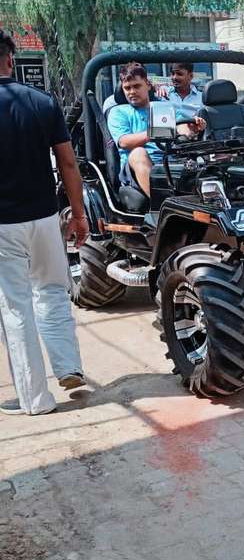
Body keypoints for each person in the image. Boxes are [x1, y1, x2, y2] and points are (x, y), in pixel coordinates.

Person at [0, 29, 87, 416]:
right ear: (10, 59)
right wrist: (79, 214)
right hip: (45, 218)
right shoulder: (41, 102)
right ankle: (69, 367)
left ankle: (36, 399)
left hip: (3, 226)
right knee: (52, 290)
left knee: (16, 309)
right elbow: (68, 163)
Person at [107, 62, 204, 197]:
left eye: (136, 86)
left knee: (202, 158)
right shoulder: (118, 112)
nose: (132, 92)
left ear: (148, 84)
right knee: (138, 153)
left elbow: (182, 126)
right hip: (136, 169)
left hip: (170, 161)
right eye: (127, 88)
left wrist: (193, 127)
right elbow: (124, 142)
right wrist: (156, 131)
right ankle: (160, 205)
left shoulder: (163, 106)